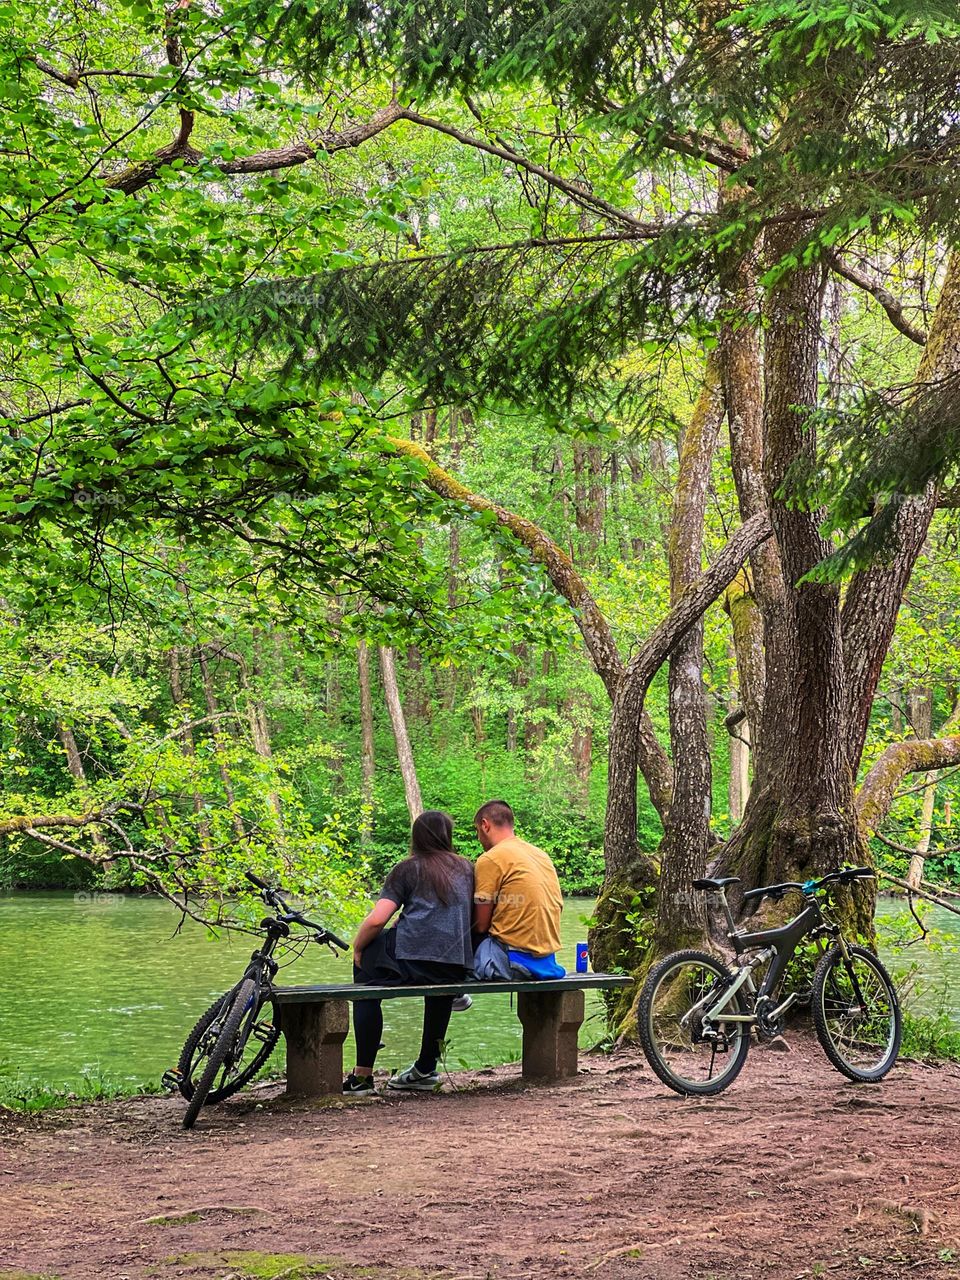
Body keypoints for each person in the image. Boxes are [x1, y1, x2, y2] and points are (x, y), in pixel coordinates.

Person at [343, 810, 474, 1096]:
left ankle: (362, 1076)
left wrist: (358, 946)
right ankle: (426, 1068)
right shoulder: (467, 868)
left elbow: (377, 919)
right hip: (455, 965)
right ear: (447, 837)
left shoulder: (407, 868)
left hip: (412, 962)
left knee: (366, 969)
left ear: (416, 837)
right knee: (440, 987)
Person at [471, 799, 566, 980]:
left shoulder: (490, 858)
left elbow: (481, 925)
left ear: (485, 825)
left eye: (477, 831)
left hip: (510, 961)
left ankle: (453, 994)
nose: (478, 838)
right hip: (547, 960)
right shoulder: (540, 855)